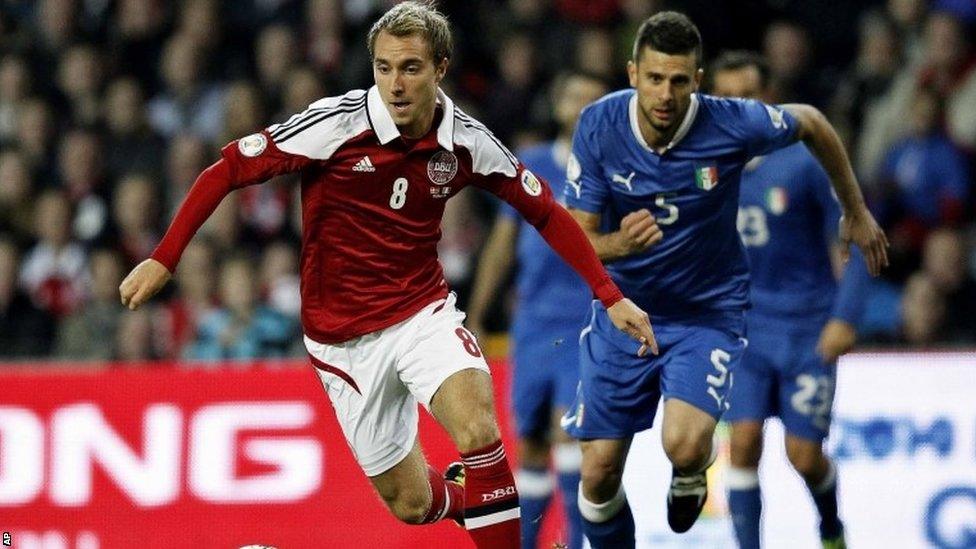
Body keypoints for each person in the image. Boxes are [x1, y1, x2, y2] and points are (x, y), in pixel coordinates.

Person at [118, 3, 654, 548]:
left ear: (440, 68)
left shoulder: (466, 140)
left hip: (422, 314)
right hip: (342, 342)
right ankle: (472, 501)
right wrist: (166, 256)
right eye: (384, 67)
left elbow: (544, 211)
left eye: (411, 68)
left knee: (479, 432)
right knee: (413, 505)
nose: (395, 84)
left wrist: (610, 296)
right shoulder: (336, 124)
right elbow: (227, 169)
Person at [560, 12, 888, 548]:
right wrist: (620, 244)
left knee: (688, 445)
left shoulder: (730, 124)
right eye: (654, 78)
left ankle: (694, 473)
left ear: (698, 80)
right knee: (596, 472)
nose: (666, 94)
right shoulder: (598, 125)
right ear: (632, 74)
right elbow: (577, 238)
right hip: (624, 311)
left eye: (680, 81)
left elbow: (809, 121)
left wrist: (854, 210)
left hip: (706, 314)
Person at [709, 50, 871, 549]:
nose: (738, 107)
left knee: (803, 454)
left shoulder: (805, 161)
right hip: (742, 331)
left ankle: (831, 525)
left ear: (768, 99)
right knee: (743, 443)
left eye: (748, 96)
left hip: (806, 328)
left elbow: (859, 239)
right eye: (727, 98)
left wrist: (845, 316)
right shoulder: (703, 169)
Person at [467, 70, 610, 549]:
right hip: (532, 323)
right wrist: (478, 310)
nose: (580, 106)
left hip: (585, 322)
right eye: (573, 95)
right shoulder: (529, 164)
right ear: (558, 103)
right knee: (529, 443)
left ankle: (576, 540)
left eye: (592, 100)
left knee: (568, 432)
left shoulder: (613, 171)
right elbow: (503, 244)